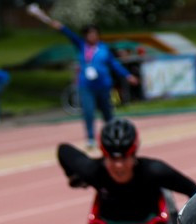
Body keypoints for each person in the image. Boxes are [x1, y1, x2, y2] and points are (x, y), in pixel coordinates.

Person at [26, 3, 139, 150]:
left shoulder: (104, 48)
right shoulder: (81, 45)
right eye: (89, 34)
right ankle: (91, 138)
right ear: (85, 35)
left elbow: (114, 64)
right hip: (86, 85)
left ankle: (113, 136)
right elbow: (68, 33)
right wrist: (58, 26)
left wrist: (127, 75)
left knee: (108, 113)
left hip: (103, 85)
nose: (92, 36)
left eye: (95, 34)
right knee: (88, 112)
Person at [58, 117, 196, 224]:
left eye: (124, 158)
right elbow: (63, 149)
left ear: (133, 154)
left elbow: (194, 191)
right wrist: (74, 177)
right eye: (112, 159)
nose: (119, 166)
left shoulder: (154, 171)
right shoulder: (93, 171)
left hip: (149, 219)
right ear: (104, 155)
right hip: (110, 218)